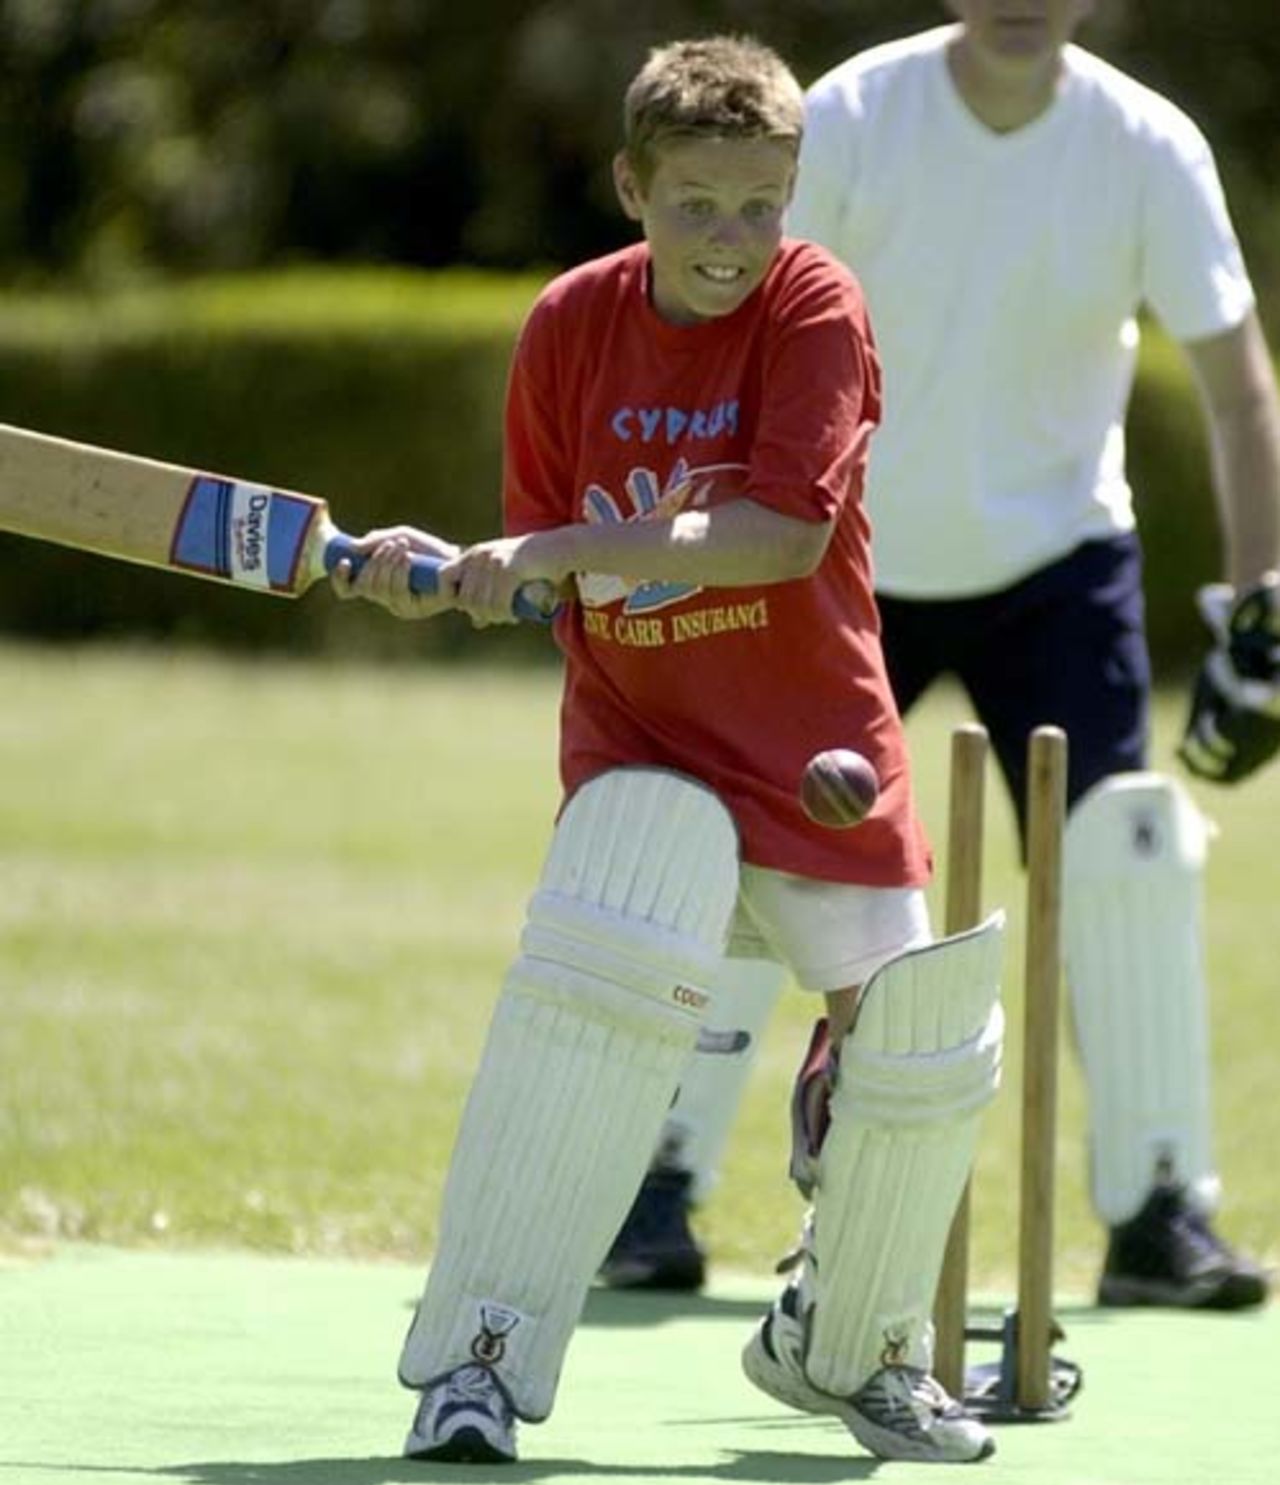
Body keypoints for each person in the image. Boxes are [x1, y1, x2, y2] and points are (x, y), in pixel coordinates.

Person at [336, 33, 1011, 1466]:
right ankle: (480, 1353)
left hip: (815, 742)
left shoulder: (816, 304)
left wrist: (558, 546)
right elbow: (543, 574)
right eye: (697, 203)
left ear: (792, 195)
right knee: (588, 1027)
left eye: (759, 205)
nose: (731, 239)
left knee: (921, 1051)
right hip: (642, 747)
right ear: (632, 185)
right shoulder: (570, 324)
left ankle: (852, 1340)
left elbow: (781, 536)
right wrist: (460, 571)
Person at [608, 0, 1278, 1312]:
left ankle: (1157, 1211)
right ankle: (656, 1186)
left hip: (1063, 562)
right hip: (837, 560)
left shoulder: (1146, 143)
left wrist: (1264, 609)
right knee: (753, 850)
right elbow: (741, 323)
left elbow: (1238, 382)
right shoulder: (857, 114)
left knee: (1129, 847)